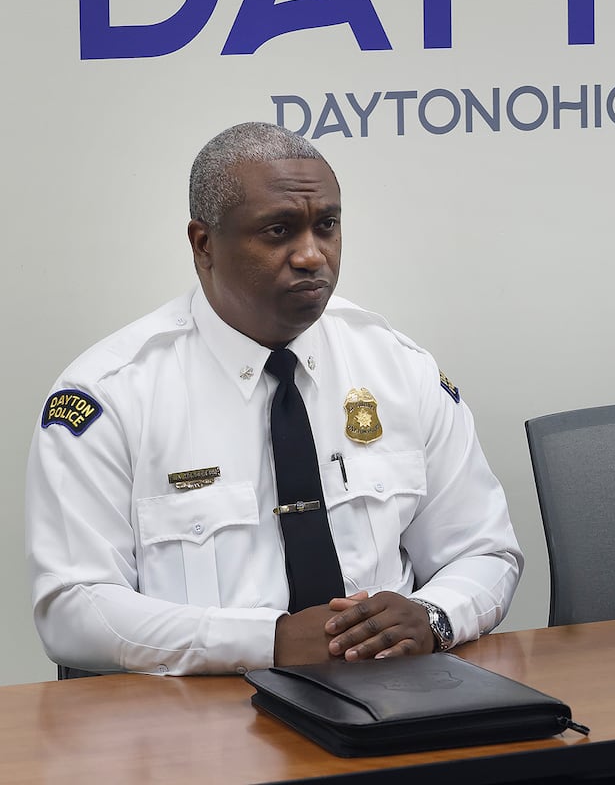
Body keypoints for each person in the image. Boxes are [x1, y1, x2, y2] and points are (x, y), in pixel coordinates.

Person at [27, 122, 522, 676]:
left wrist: (433, 616)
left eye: (326, 226)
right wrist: (267, 641)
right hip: (197, 721)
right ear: (203, 244)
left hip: (392, 699)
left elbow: (485, 550)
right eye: (279, 230)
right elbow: (72, 608)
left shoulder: (400, 367)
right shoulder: (111, 393)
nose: (311, 255)